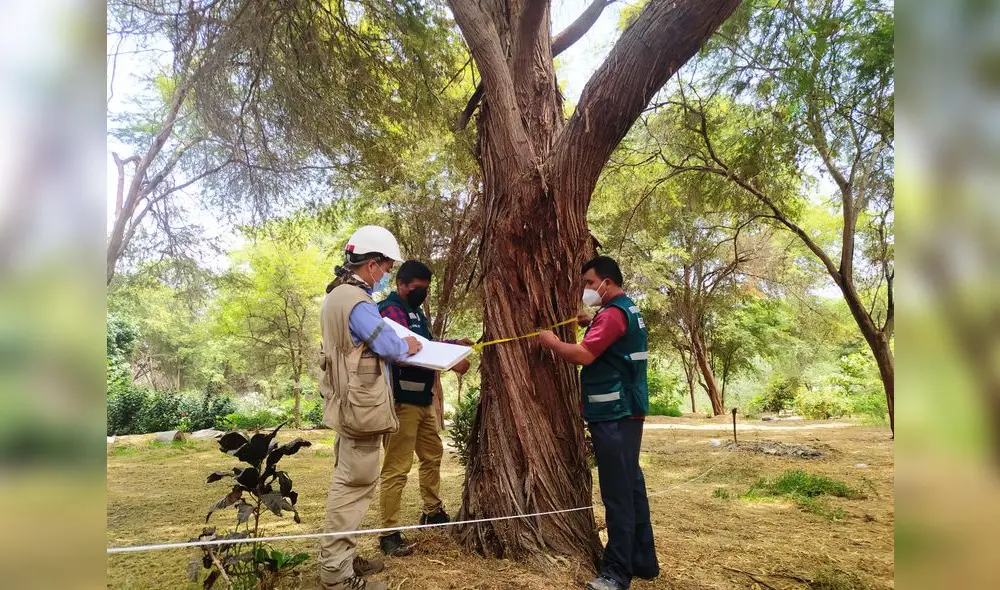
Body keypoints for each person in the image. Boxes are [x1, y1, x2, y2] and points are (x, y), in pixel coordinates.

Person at [538, 256, 659, 590]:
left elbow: (585, 355)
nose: (586, 290)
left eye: (589, 283)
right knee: (632, 486)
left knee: (618, 494)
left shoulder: (614, 315)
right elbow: (611, 345)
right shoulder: (624, 309)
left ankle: (616, 573)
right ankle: (643, 561)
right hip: (625, 411)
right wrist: (590, 322)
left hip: (615, 413)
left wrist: (552, 343)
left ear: (607, 281)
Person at [317, 225, 422, 590]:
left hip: (346, 404)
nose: (386, 275)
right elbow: (388, 347)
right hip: (360, 407)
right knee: (352, 488)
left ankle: (342, 559)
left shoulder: (335, 296)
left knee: (348, 484)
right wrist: (408, 343)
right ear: (373, 264)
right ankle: (337, 576)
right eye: (387, 268)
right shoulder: (357, 302)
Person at [376, 260, 473, 557]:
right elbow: (401, 351)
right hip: (401, 400)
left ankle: (432, 512)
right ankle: (388, 533)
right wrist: (446, 356)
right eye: (418, 288)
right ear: (402, 284)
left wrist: (455, 347)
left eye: (426, 290)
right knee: (397, 468)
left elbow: (424, 345)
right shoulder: (388, 311)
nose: (422, 294)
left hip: (424, 400)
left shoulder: (417, 313)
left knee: (432, 455)